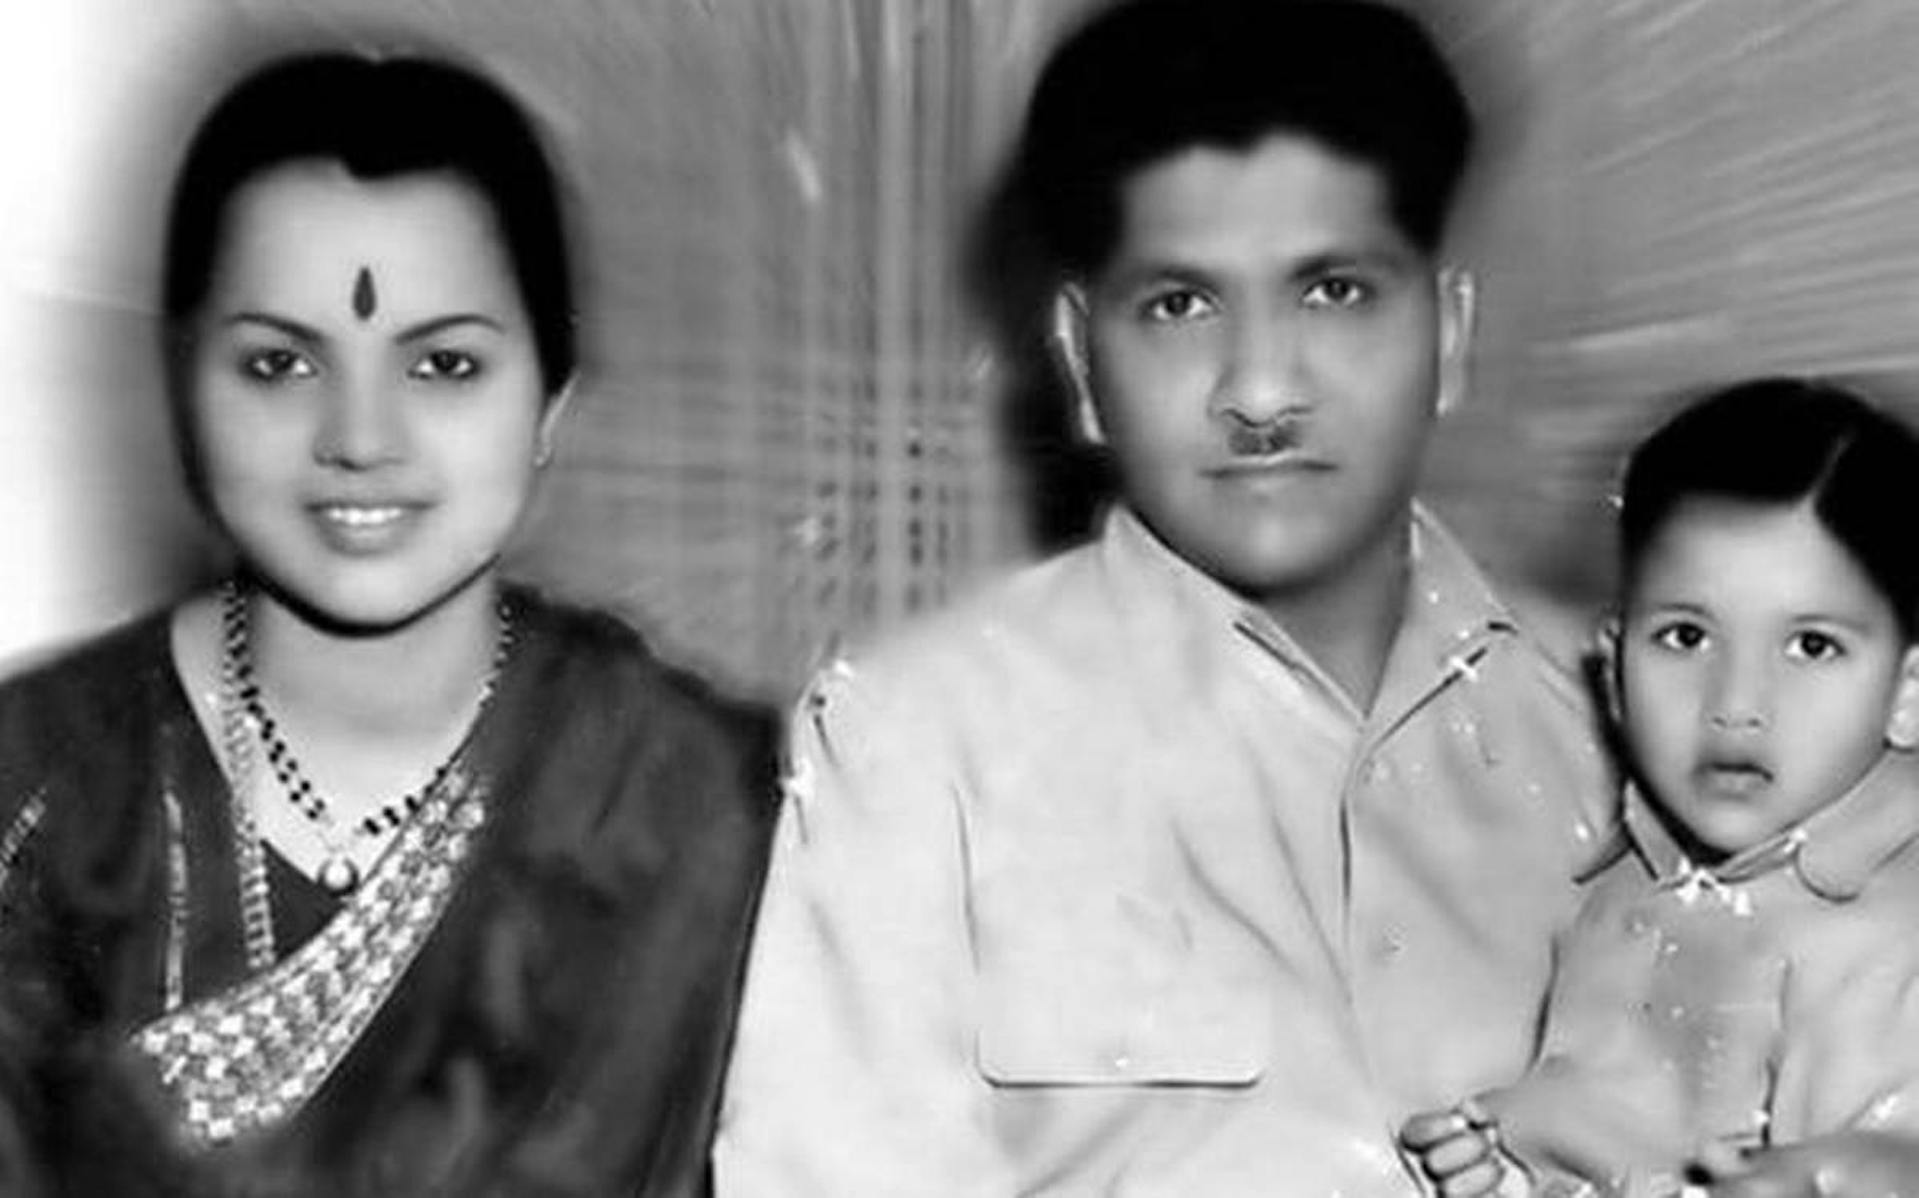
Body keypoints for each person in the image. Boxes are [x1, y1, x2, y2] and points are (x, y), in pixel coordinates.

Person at [713, 2, 1618, 1193]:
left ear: (1446, 332)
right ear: (1082, 365)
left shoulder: (1630, 717)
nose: (1258, 389)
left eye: (1334, 292)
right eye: (1180, 305)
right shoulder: (916, 739)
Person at [0, 49, 774, 1196]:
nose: (360, 436)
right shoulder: (45, 789)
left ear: (552, 400)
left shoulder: (694, 797)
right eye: (277, 363)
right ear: (183, 387)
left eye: (444, 364)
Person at [1402, 380, 1919, 1197]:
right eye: (1684, 637)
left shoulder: (1894, 937)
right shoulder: (1621, 885)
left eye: (1811, 647)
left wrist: (1826, 1179)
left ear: (1908, 689)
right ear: (1611, 673)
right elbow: (1600, 1130)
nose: (1736, 705)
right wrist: (1499, 1164)